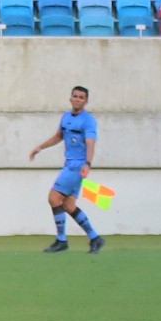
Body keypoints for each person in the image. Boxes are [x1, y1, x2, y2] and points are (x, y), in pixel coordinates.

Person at [28, 84, 104, 253]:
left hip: (77, 166)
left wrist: (88, 163)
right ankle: (95, 238)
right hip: (69, 164)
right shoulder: (66, 116)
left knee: (53, 197)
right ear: (70, 98)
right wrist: (40, 147)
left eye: (81, 97)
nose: (77, 99)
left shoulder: (88, 120)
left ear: (86, 102)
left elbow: (91, 143)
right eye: (75, 96)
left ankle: (61, 240)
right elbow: (58, 136)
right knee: (69, 205)